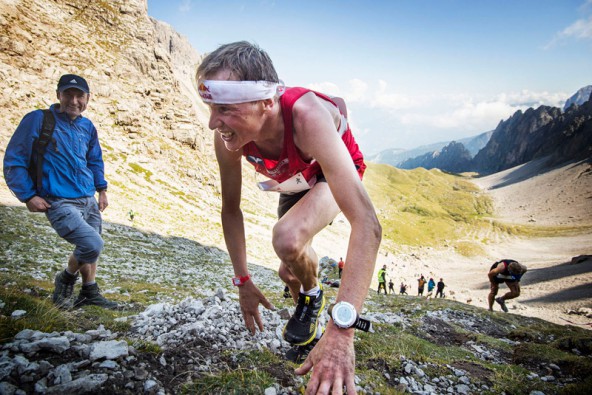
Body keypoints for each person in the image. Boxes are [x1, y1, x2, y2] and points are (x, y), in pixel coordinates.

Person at [195, 41, 381, 393]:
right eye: (210, 108)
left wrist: (342, 334)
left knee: (287, 237)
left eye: (225, 109)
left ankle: (317, 304)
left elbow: (368, 225)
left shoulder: (307, 117)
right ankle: (311, 295)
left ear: (266, 102)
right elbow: (231, 209)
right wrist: (243, 281)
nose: (212, 123)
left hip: (332, 171)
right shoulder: (228, 138)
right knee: (288, 267)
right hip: (295, 181)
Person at [3, 74, 117, 310]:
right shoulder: (38, 119)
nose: (74, 101)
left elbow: (94, 160)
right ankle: (65, 278)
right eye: (68, 94)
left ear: (88, 98)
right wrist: (28, 196)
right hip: (58, 201)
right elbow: (14, 160)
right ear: (58, 95)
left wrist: (102, 189)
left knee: (90, 249)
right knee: (92, 244)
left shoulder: (87, 126)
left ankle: (88, 291)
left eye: (80, 96)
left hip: (88, 197)